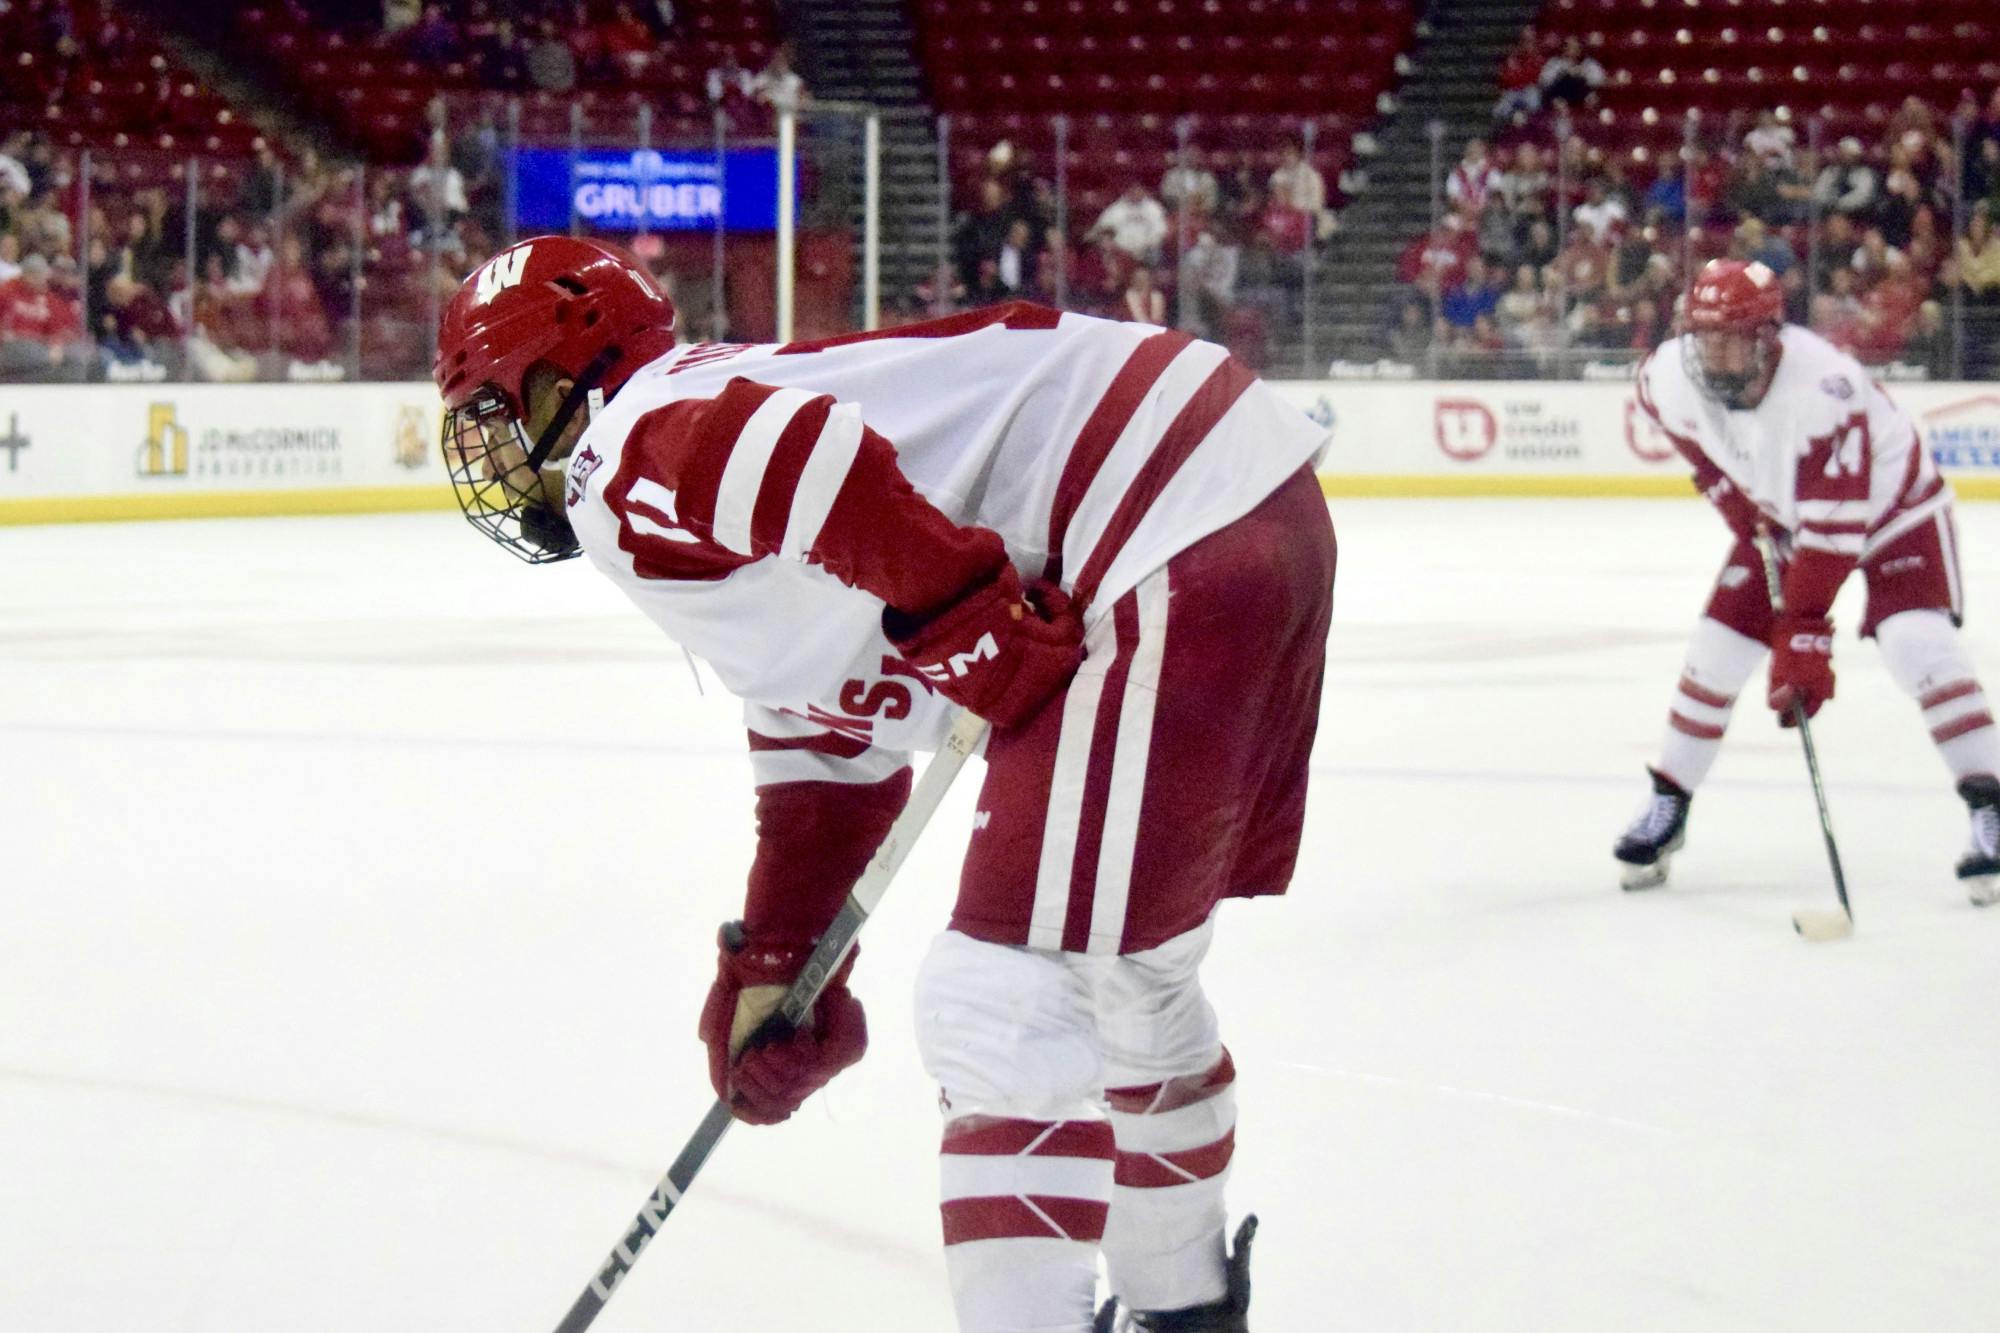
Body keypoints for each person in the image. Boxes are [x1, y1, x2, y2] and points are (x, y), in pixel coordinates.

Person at [432, 237, 1336, 1331]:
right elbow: (824, 767)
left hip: (1156, 519)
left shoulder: (623, 447)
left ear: (550, 377)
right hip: (1223, 497)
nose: (489, 453)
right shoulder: (691, 485)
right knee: (1124, 980)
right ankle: (1185, 1307)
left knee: (1000, 1003)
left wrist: (959, 613)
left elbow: (800, 456)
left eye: (489, 409)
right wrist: (778, 962)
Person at [1615, 258, 2000, 905]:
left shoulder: (1825, 387)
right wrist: (1727, 494)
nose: (1714, 351)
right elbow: (1674, 425)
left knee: (1916, 645)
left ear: (1767, 336)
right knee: (1714, 652)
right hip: (1792, 519)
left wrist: (1802, 633)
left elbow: (1834, 533)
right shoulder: (1669, 375)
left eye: (1731, 336)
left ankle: (1990, 805)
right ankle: (1668, 800)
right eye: (1705, 336)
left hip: (1895, 514)